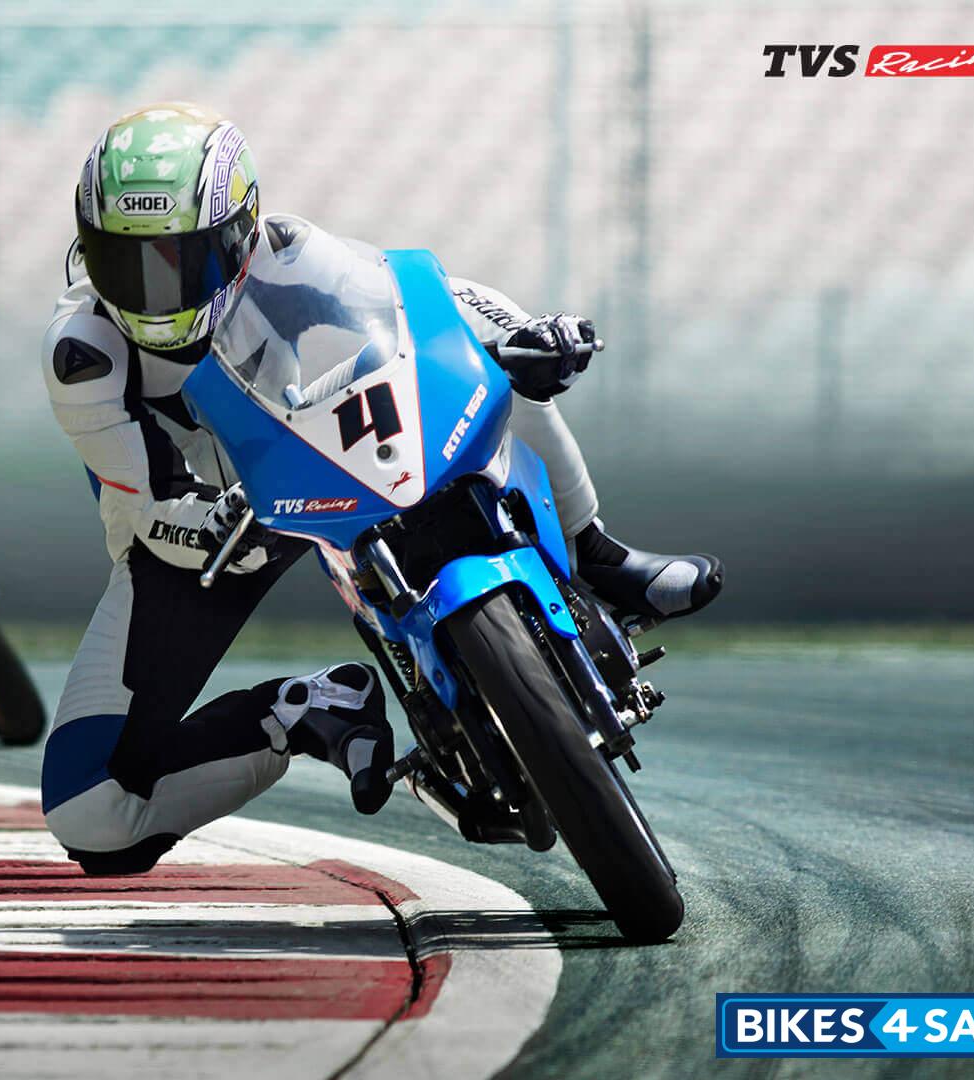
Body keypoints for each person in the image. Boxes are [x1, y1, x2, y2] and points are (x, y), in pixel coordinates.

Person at [39, 103, 723, 875]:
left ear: (239, 233)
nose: (148, 293)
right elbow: (145, 505)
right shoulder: (81, 352)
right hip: (196, 539)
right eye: (122, 263)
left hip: (317, 450)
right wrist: (209, 524)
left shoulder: (284, 251)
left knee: (504, 367)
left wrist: (524, 334)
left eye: (175, 262)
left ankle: (597, 554)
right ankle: (306, 712)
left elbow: (426, 298)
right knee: (91, 812)